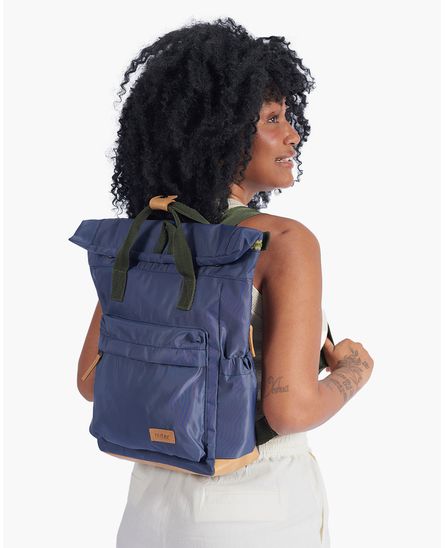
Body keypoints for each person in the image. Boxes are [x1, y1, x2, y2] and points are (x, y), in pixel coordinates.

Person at [76, 17, 374, 548]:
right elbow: (290, 411)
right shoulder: (282, 241)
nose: (292, 134)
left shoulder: (144, 238)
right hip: (257, 515)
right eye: (272, 118)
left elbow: (92, 382)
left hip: (149, 516)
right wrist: (353, 371)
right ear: (220, 134)